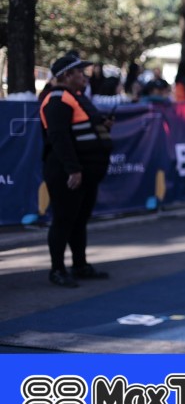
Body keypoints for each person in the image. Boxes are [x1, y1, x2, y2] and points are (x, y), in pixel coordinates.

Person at [39, 51, 114, 288]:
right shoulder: (57, 99)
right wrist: (73, 170)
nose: (85, 75)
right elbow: (58, 137)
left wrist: (103, 126)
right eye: (80, 72)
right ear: (66, 75)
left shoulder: (76, 96)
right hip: (67, 172)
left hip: (85, 172)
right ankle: (57, 270)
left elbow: (84, 127)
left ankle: (80, 265)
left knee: (79, 220)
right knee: (63, 220)